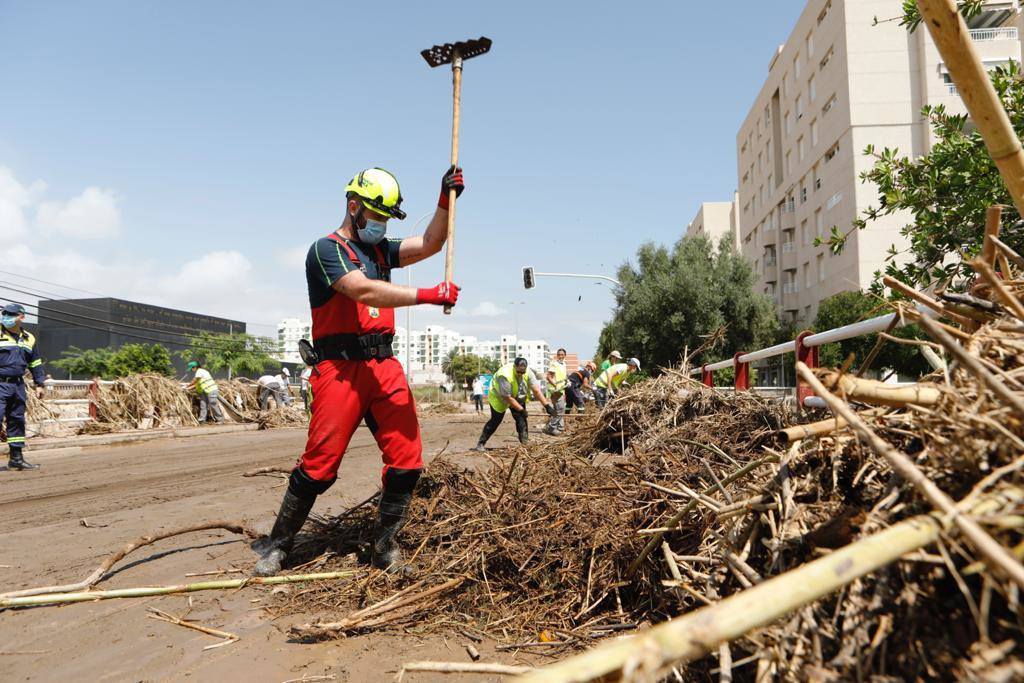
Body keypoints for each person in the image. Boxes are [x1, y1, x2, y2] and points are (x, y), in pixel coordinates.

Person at [254, 165, 463, 577]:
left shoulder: (381, 250)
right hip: (340, 369)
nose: (381, 226)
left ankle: (384, 548)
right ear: (354, 207)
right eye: (377, 216)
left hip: (383, 365)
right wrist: (427, 295)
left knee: (407, 462)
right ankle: (278, 545)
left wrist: (445, 199)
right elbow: (362, 289)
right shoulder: (326, 250)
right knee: (319, 467)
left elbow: (433, 243)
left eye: (387, 219)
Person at [0, 304, 46, 471]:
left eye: (11, 314)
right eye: (4, 313)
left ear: (21, 317)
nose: (6, 316)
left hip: (18, 385)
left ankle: (16, 459)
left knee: (16, 420)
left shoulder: (29, 338)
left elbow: (35, 363)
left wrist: (39, 384)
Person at [473, 357, 555, 451]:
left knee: (521, 419)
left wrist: (547, 406)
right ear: (514, 366)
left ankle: (525, 444)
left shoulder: (528, 372)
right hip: (499, 397)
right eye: (518, 372)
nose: (520, 374)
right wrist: (521, 409)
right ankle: (480, 444)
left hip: (516, 395)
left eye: (522, 372)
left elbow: (536, 390)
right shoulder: (504, 374)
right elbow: (507, 397)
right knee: (496, 420)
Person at [542, 348, 568, 436]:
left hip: (561, 390)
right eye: (559, 354)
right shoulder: (554, 364)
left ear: (565, 355)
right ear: (557, 355)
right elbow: (548, 377)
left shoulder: (564, 364)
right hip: (555, 391)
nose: (560, 356)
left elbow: (562, 377)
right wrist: (556, 386)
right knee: (560, 410)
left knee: (559, 410)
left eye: (562, 355)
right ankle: (550, 427)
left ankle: (560, 428)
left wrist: (567, 382)